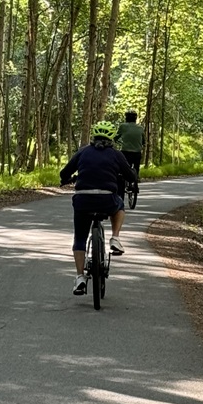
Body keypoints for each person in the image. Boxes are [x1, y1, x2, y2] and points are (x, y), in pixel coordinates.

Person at [60, 121, 138, 295]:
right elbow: (130, 176)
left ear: (93, 137)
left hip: (83, 200)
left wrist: (68, 178)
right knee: (119, 205)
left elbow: (64, 172)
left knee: (79, 238)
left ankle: (80, 277)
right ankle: (115, 238)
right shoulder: (116, 154)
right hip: (107, 200)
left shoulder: (82, 152)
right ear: (111, 139)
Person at [115, 110, 145, 193]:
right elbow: (143, 141)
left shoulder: (123, 126)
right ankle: (135, 182)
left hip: (125, 152)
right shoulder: (140, 128)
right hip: (137, 153)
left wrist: (116, 141)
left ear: (126, 118)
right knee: (136, 167)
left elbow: (117, 137)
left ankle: (122, 183)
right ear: (135, 119)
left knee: (123, 169)